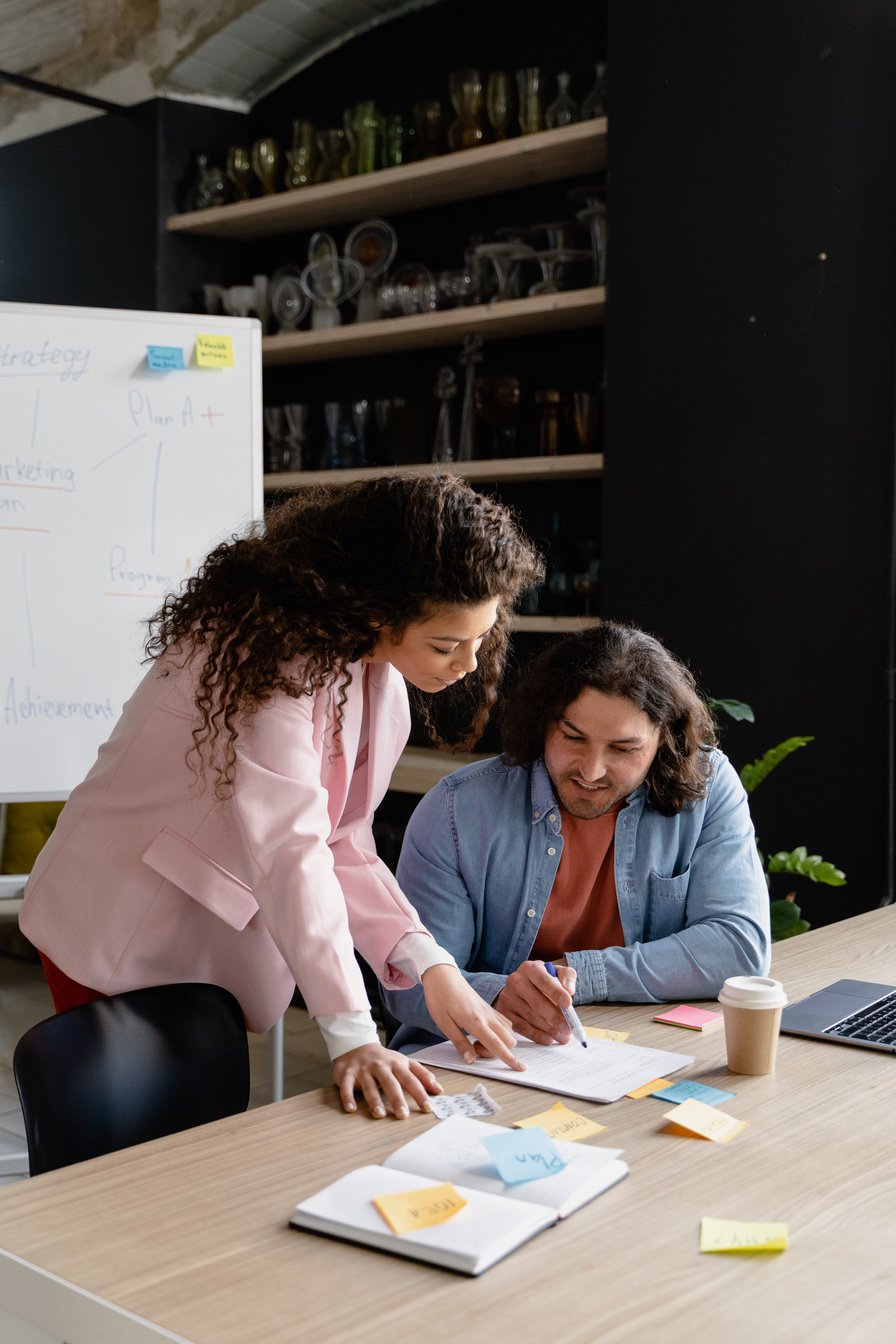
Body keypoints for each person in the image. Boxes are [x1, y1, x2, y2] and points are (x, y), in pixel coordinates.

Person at [20, 473, 543, 1119]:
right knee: (134, 1158)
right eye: (446, 644)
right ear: (378, 608)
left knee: (193, 1150)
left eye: (481, 637)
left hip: (203, 940)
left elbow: (341, 841)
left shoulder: (374, 668)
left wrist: (431, 965)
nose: (467, 663)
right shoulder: (265, 662)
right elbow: (291, 847)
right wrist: (353, 1034)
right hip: (122, 924)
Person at [382, 621, 771, 1053]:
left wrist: (574, 974)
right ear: (544, 721)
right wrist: (501, 994)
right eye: (573, 738)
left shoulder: (707, 785)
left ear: (664, 740)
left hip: (631, 1048)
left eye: (624, 750)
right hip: (477, 1056)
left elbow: (738, 948)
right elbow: (405, 986)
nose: (591, 771)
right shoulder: (456, 811)